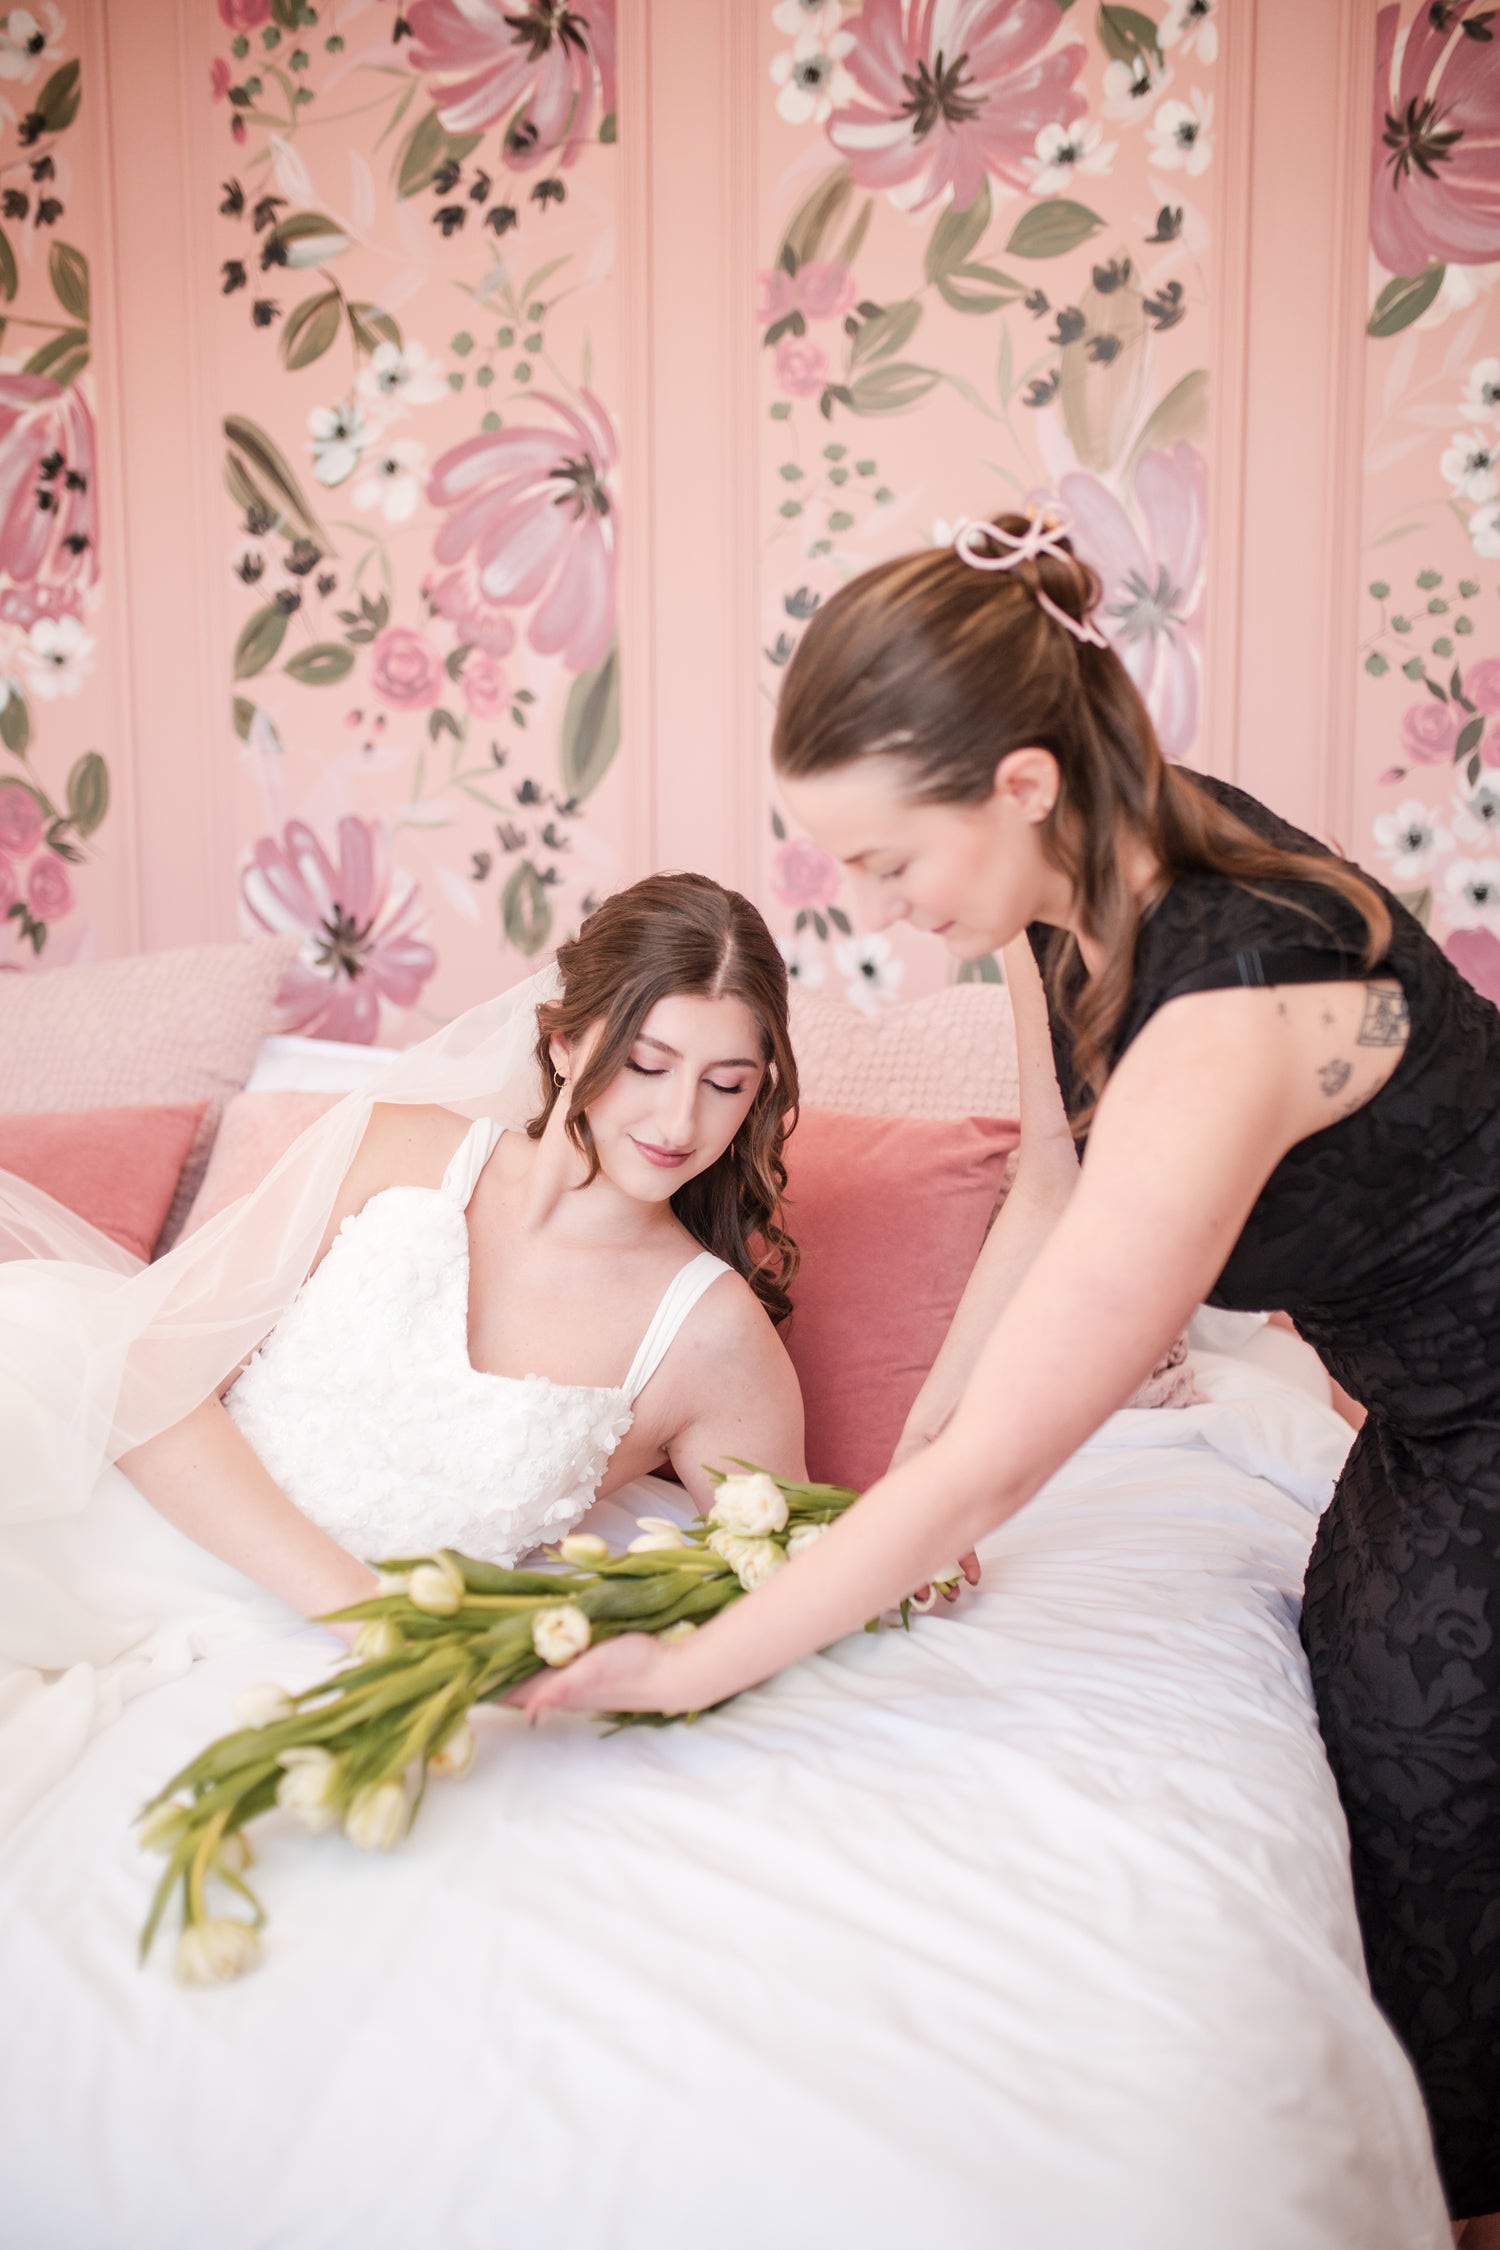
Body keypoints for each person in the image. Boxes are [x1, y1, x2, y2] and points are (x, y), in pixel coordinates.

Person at [517, 511, 1500, 2238]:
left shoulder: (1225, 1008)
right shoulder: (1081, 891)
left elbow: (1000, 1475)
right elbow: (1049, 1191)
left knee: (1428, 1768)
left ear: (1021, 780)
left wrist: (694, 1670)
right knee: (1356, 1686)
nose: (870, 907)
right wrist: (920, 1440)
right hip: (1430, 1402)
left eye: (885, 863)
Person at [0, 873, 805, 1824]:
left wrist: (918, 1521)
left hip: (288, 1657)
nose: (679, 1123)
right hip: (123, 1523)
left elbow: (789, 1570)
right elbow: (153, 1378)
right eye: (647, 1063)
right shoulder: (399, 1147)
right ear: (563, 1039)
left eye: (725, 1086)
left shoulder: (712, 1337)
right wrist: (367, 1613)